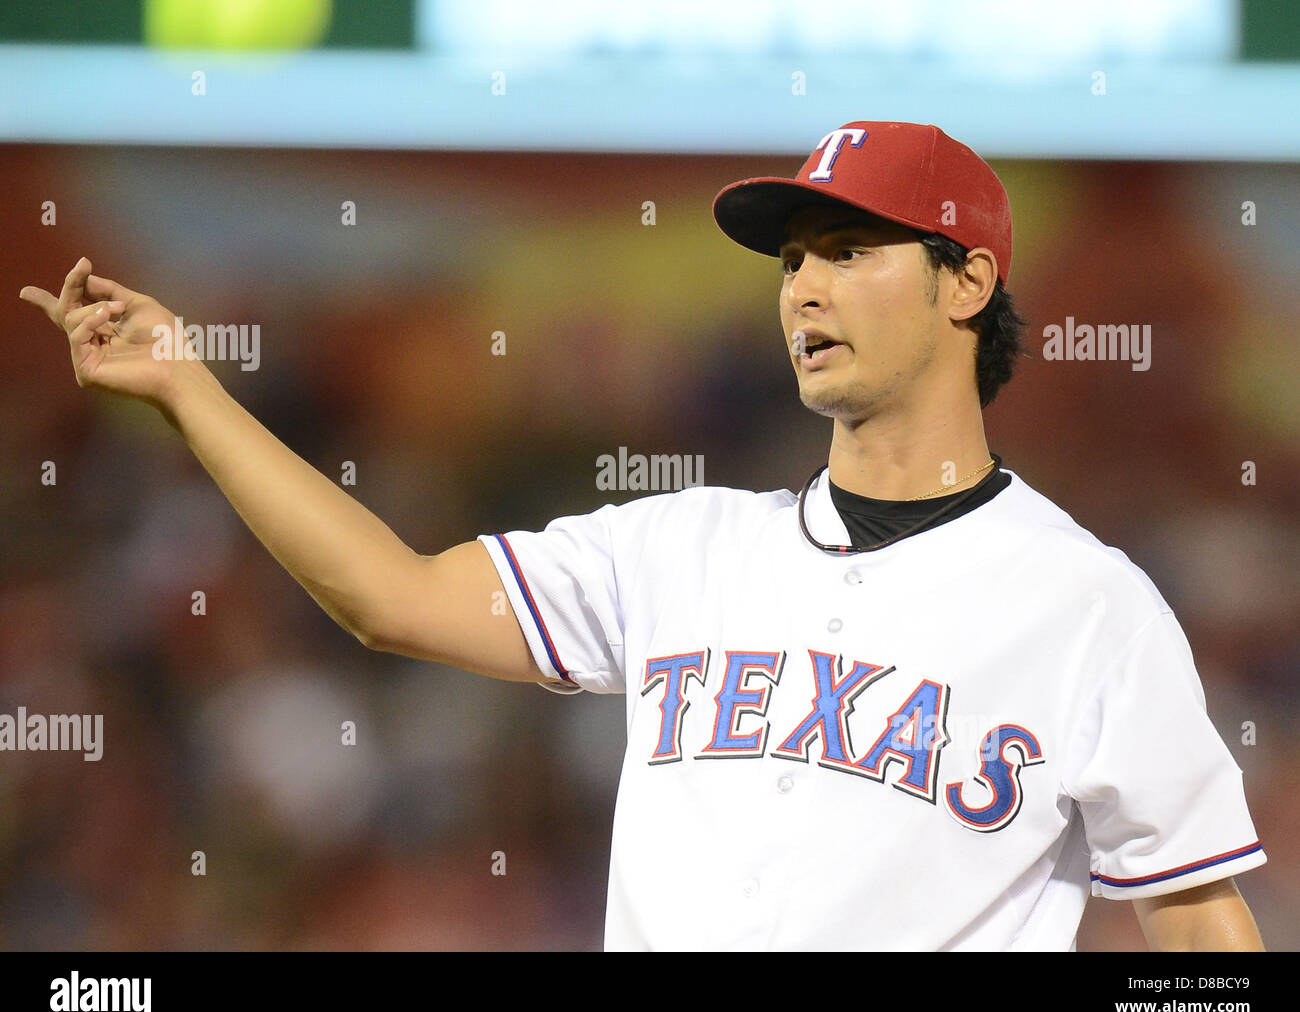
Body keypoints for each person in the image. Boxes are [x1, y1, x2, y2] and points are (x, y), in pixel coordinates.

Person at [20, 120, 1266, 952]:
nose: (804, 289)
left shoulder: (1086, 605)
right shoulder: (679, 549)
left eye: (848, 250)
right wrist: (194, 393)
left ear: (966, 283)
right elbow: (387, 597)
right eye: (790, 262)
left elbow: (1203, 933)